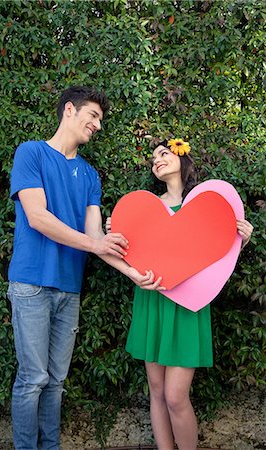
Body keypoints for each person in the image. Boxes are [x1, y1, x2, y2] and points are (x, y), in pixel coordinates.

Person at [7, 86, 164, 450]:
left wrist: (133, 275)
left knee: (57, 380)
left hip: (69, 289)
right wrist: (94, 243)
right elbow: (38, 217)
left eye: (100, 120)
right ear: (69, 111)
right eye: (92, 116)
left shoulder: (90, 175)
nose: (97, 125)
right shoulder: (31, 152)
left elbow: (97, 238)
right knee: (33, 379)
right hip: (31, 284)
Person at [106, 138, 253, 450]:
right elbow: (125, 252)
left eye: (163, 153)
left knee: (175, 396)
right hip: (153, 299)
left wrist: (242, 239)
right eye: (153, 158)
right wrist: (116, 231)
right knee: (157, 392)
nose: (156, 160)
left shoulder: (206, 208)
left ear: (182, 157)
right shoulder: (145, 209)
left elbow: (218, 259)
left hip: (188, 305)